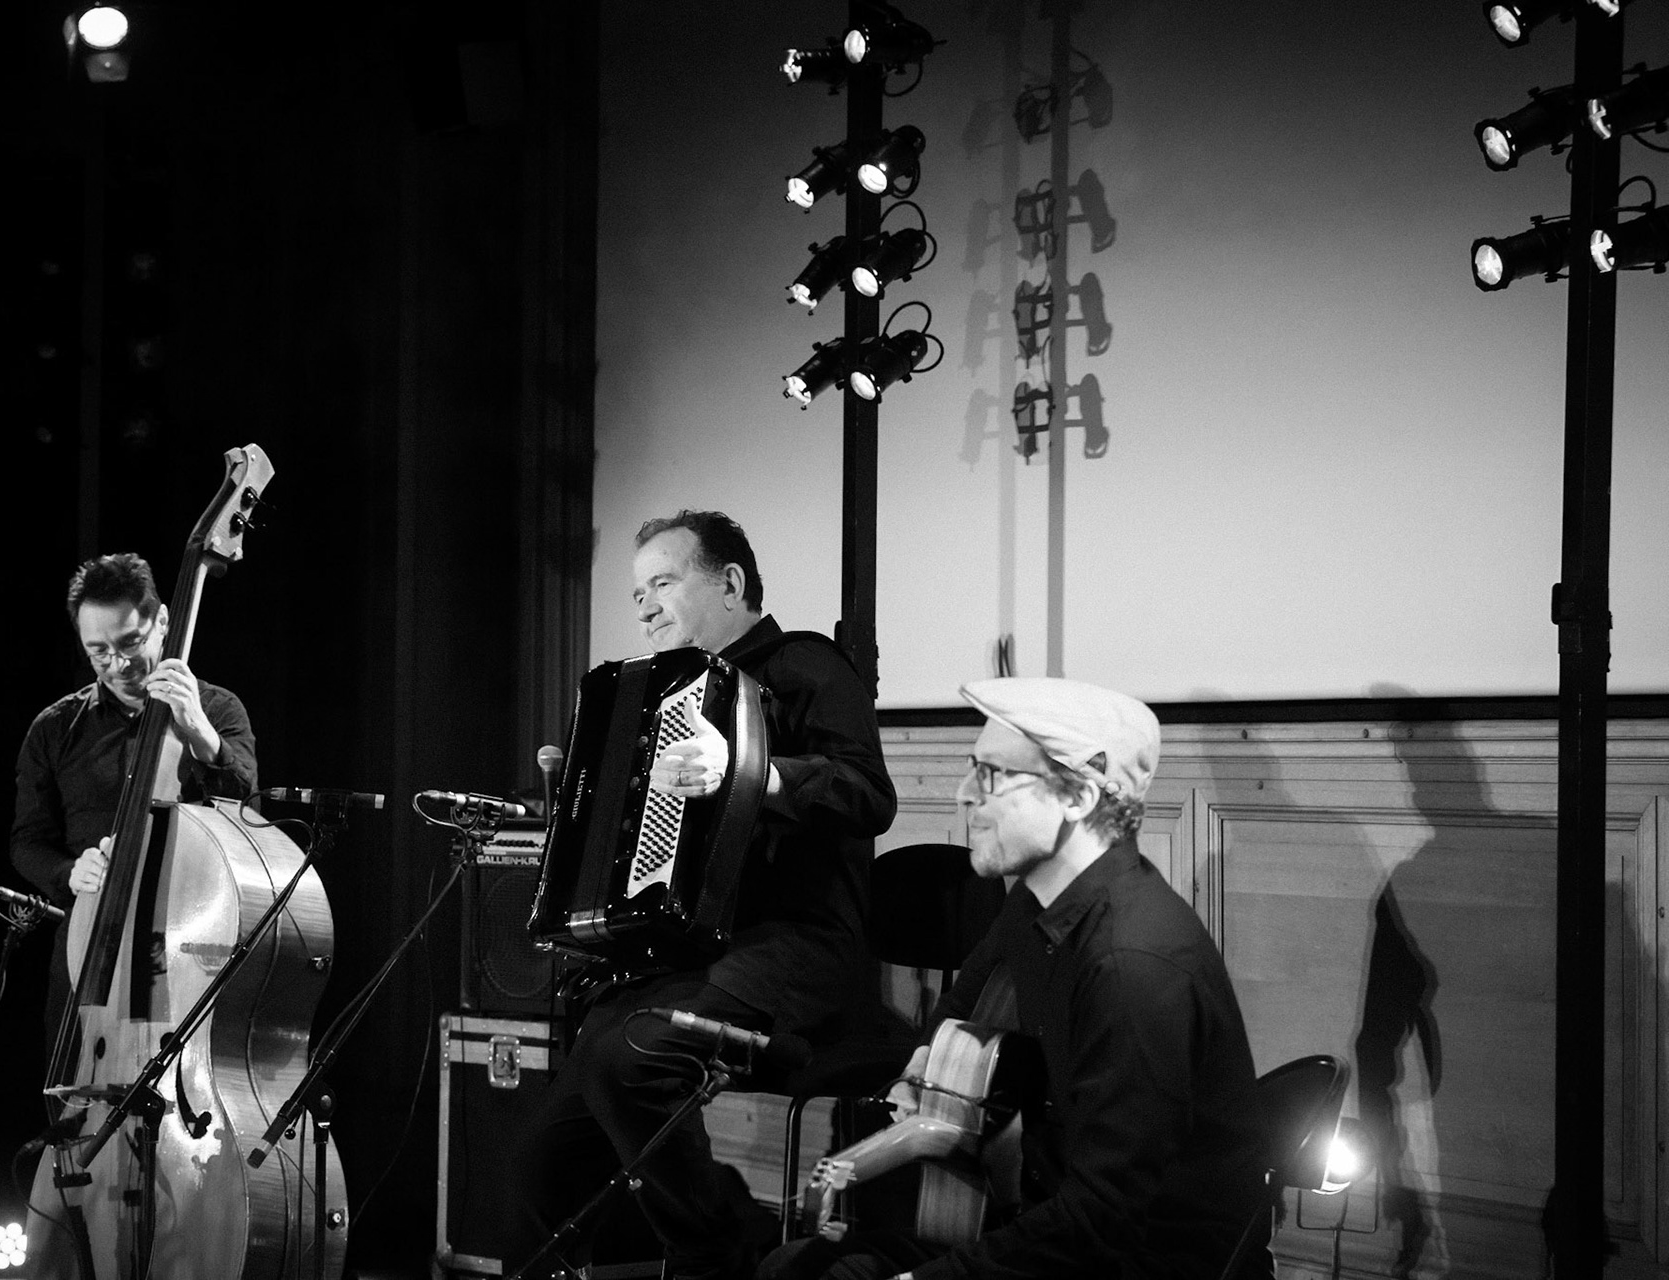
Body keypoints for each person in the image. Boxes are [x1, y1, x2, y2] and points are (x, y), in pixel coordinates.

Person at [764, 676, 1266, 1280]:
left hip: (1134, 1262)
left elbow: (1101, 1220)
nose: (964, 795)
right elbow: (963, 999)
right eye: (974, 769)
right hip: (1046, 1223)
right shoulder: (1036, 901)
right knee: (796, 1265)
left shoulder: (1133, 968)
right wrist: (919, 1066)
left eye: (994, 776)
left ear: (1079, 796)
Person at [508, 510, 898, 1280]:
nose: (646, 605)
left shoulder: (807, 668)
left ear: (730, 584)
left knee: (631, 1059)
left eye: (663, 582)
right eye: (637, 591)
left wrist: (754, 773)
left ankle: (718, 1254)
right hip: (690, 953)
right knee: (538, 1161)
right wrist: (581, 793)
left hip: (797, 944)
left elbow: (867, 795)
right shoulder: (654, 695)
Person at [10, 552, 259, 1045]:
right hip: (87, 952)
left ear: (163, 621)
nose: (118, 665)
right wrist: (68, 873)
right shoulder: (55, 728)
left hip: (186, 951)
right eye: (98, 651)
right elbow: (27, 842)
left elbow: (246, 817)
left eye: (130, 643)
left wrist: (201, 736)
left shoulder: (218, 709)